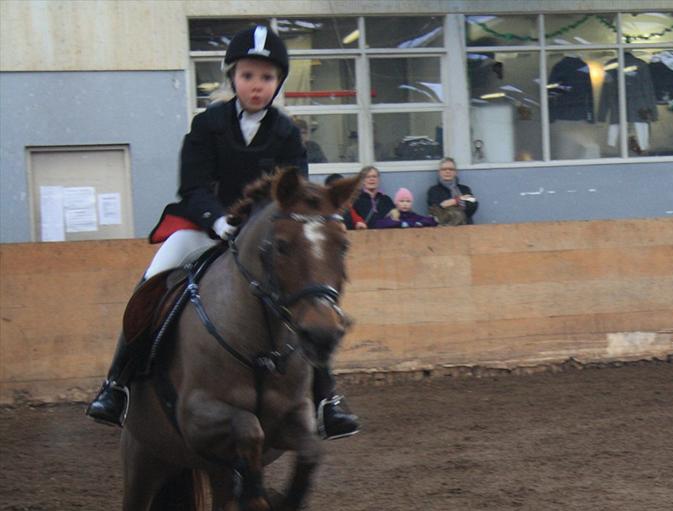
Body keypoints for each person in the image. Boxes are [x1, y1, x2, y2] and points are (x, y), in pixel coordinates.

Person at [85, 24, 360, 439]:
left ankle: (327, 399)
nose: (256, 86)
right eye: (248, 76)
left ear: (277, 83)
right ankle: (117, 384)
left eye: (266, 78)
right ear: (233, 77)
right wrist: (218, 220)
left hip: (264, 240)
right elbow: (192, 187)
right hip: (205, 228)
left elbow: (296, 196)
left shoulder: (287, 133)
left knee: (309, 297)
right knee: (152, 280)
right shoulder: (208, 124)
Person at [426, 158, 478, 226]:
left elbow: (473, 202)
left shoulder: (464, 189)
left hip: (465, 226)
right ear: (439, 172)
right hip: (443, 228)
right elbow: (436, 207)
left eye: (451, 169)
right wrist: (462, 199)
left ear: (456, 172)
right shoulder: (434, 190)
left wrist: (456, 200)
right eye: (444, 169)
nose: (448, 171)